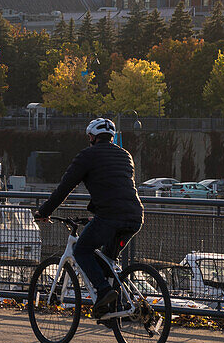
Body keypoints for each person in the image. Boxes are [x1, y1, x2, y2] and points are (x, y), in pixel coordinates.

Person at [33, 118, 143, 319]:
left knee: (81, 250)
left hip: (110, 216)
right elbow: (116, 187)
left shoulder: (87, 155)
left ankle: (103, 292)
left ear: (91, 137)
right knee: (107, 262)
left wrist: (44, 211)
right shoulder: (125, 155)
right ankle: (113, 311)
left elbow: (65, 187)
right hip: (135, 216)